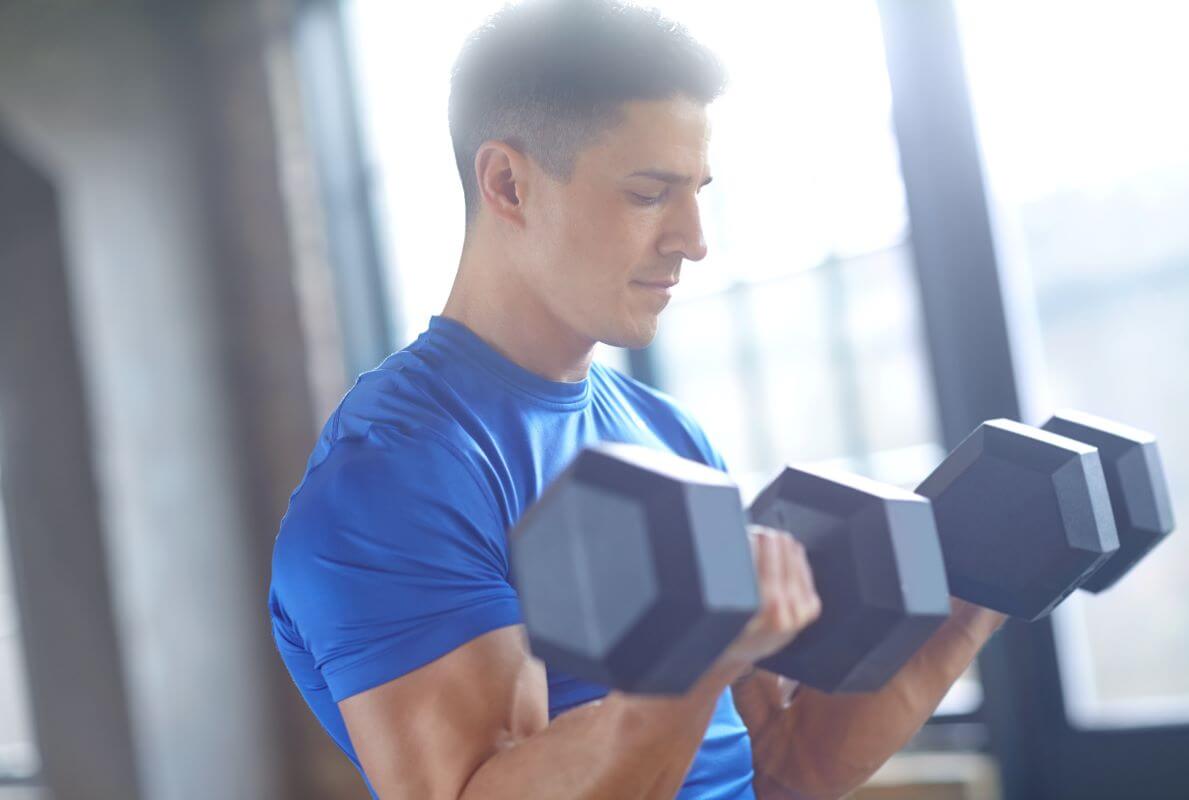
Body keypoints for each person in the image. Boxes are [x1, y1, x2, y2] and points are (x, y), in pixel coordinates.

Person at [267, 1, 1006, 797]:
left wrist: (975, 603)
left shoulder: (668, 435)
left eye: (698, 192)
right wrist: (689, 670)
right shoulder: (393, 478)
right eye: (651, 193)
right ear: (509, 185)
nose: (694, 238)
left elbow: (778, 769)